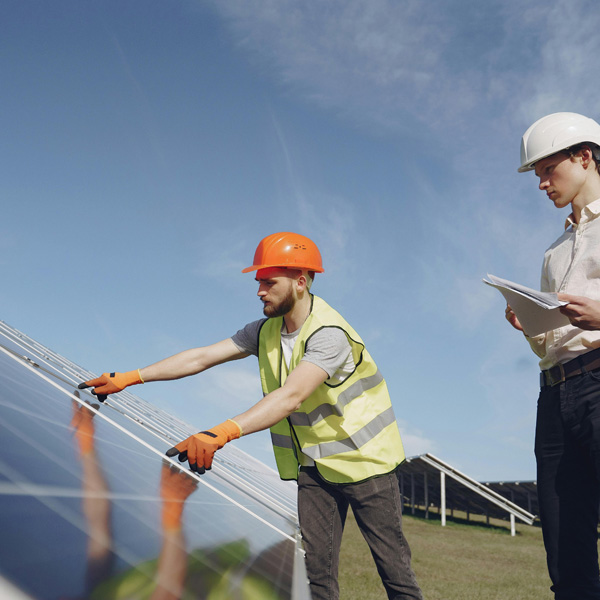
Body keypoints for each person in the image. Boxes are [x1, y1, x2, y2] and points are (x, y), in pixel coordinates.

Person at [79, 231, 423, 600]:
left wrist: (222, 432)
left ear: (301, 282)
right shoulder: (263, 331)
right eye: (258, 282)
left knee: (394, 572)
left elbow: (291, 397)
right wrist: (133, 377)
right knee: (316, 577)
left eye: (269, 282)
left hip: (365, 464)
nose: (259, 291)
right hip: (315, 468)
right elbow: (202, 357)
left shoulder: (330, 335)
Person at [506, 112, 600, 600]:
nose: (541, 183)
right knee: (565, 550)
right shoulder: (554, 252)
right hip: (555, 396)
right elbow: (552, 342)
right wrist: (530, 327)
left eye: (547, 170)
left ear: (584, 157)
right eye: (537, 174)